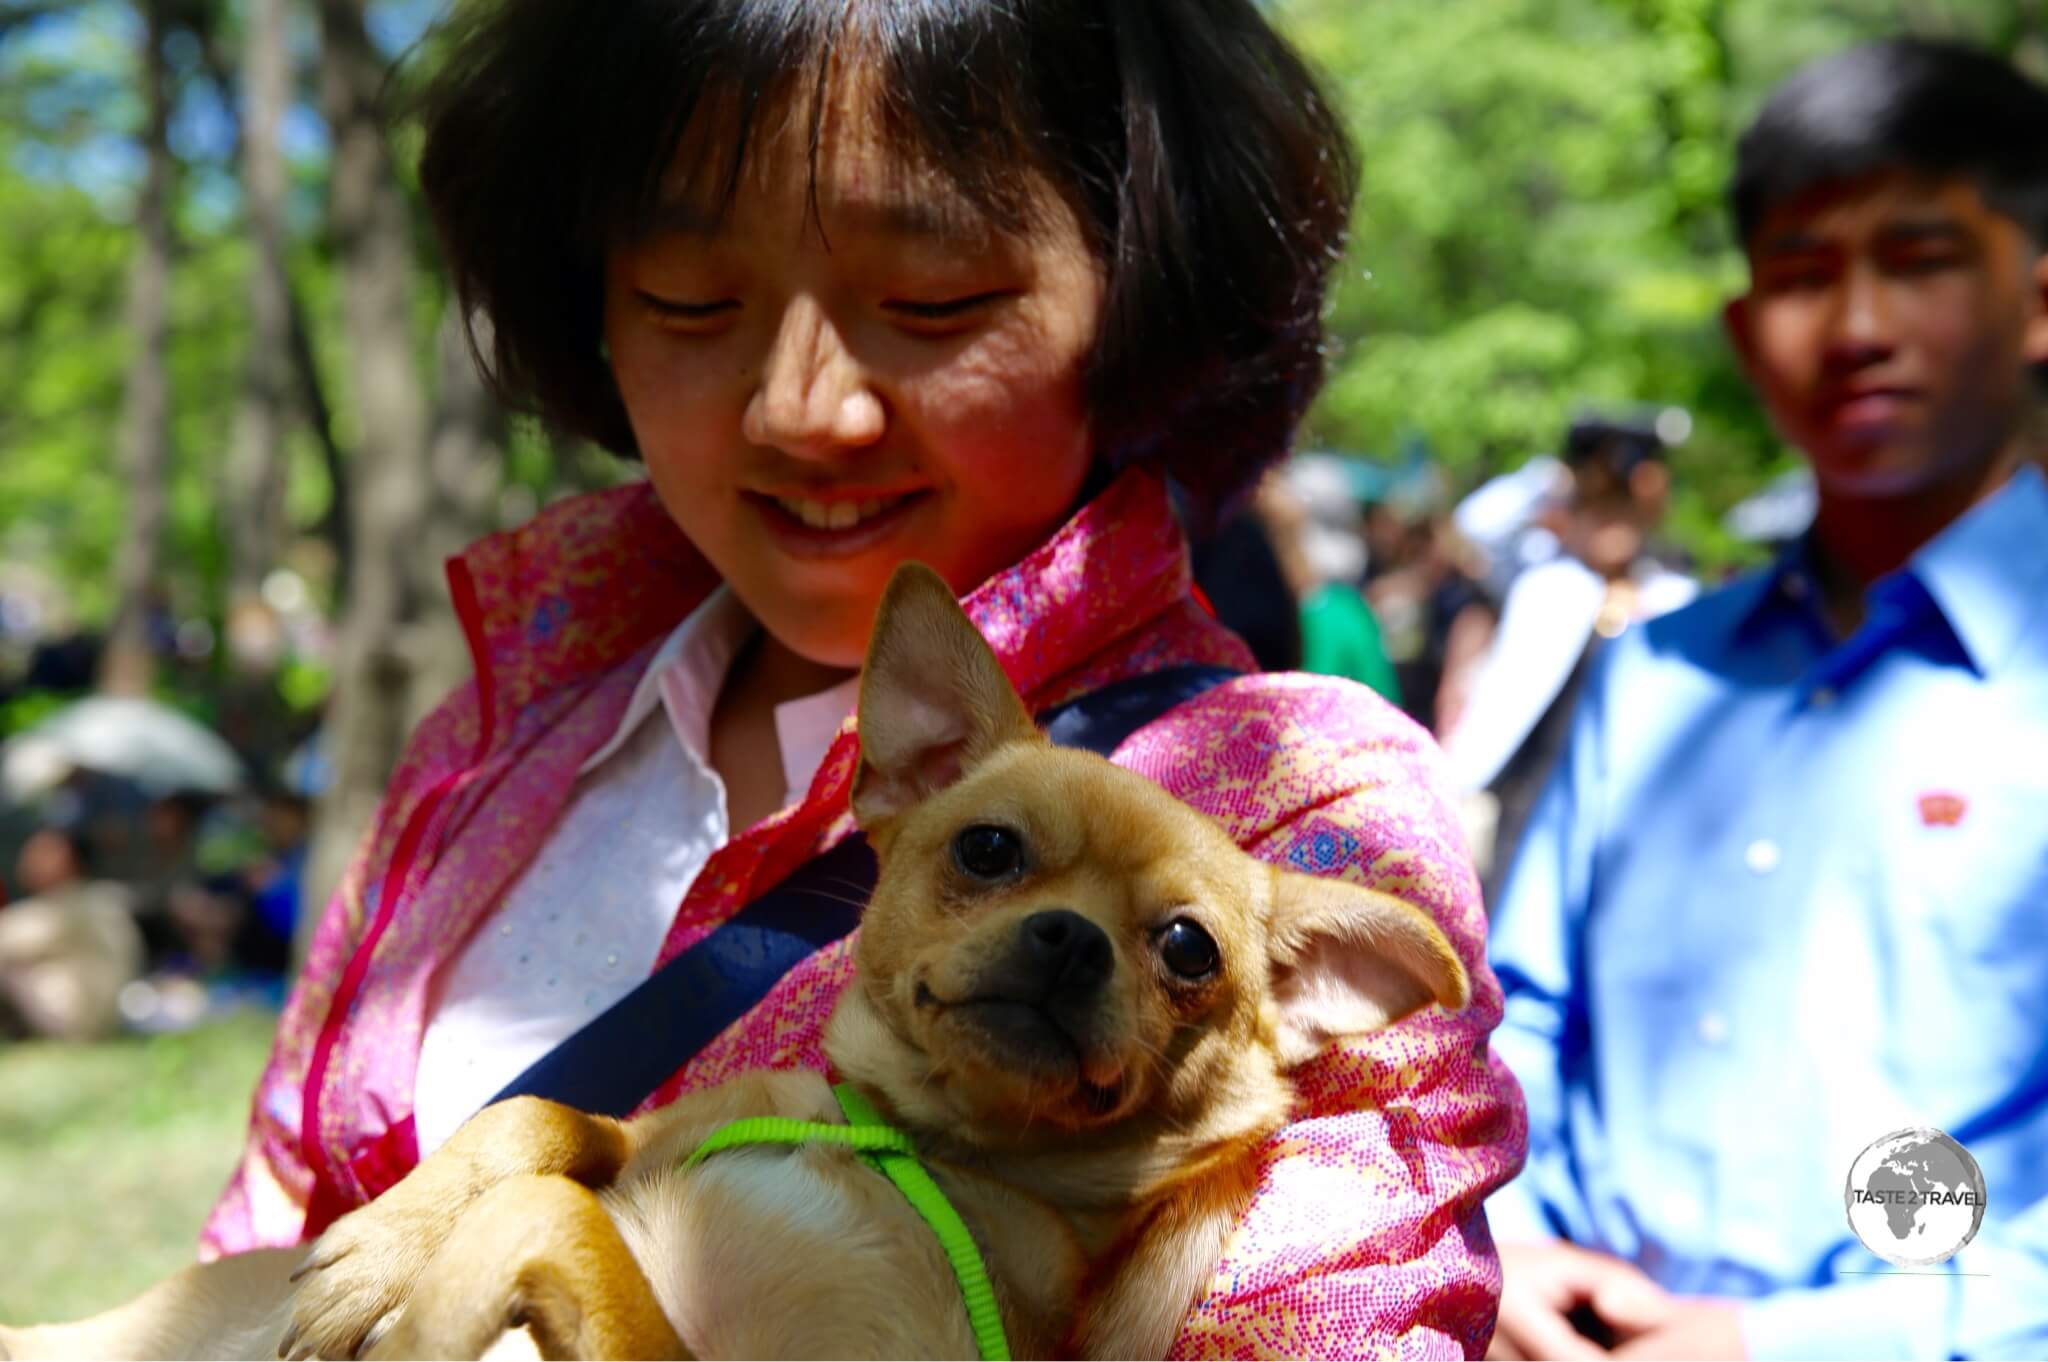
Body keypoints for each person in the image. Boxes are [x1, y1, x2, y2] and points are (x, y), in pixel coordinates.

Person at [193, 3, 1520, 1354]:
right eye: (688, 302)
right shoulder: (504, 733)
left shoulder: (1298, 799)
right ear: (589, 301)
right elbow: (262, 1247)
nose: (803, 408)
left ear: (1140, 298)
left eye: (933, 303)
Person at [1486, 37, 2048, 1360]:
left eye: (1919, 262)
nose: (1856, 327)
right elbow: (1514, 1021)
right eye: (1803, 275)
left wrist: (1785, 1342)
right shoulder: (1657, 680)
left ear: (2035, 298)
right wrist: (1502, 1243)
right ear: (1747, 333)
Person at [1441, 413, 1698, 888]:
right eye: (1599, 509)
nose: (1611, 527)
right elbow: (1477, 523)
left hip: (1630, 813)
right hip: (1531, 801)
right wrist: (1564, 469)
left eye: (1625, 511)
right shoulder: (1546, 585)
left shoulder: (1673, 597)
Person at [0, 824, 143, 1042]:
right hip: (107, 1021)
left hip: (75, 1023)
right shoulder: (97, 897)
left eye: (41, 852)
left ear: (68, 857)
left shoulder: (66, 906)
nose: (27, 859)